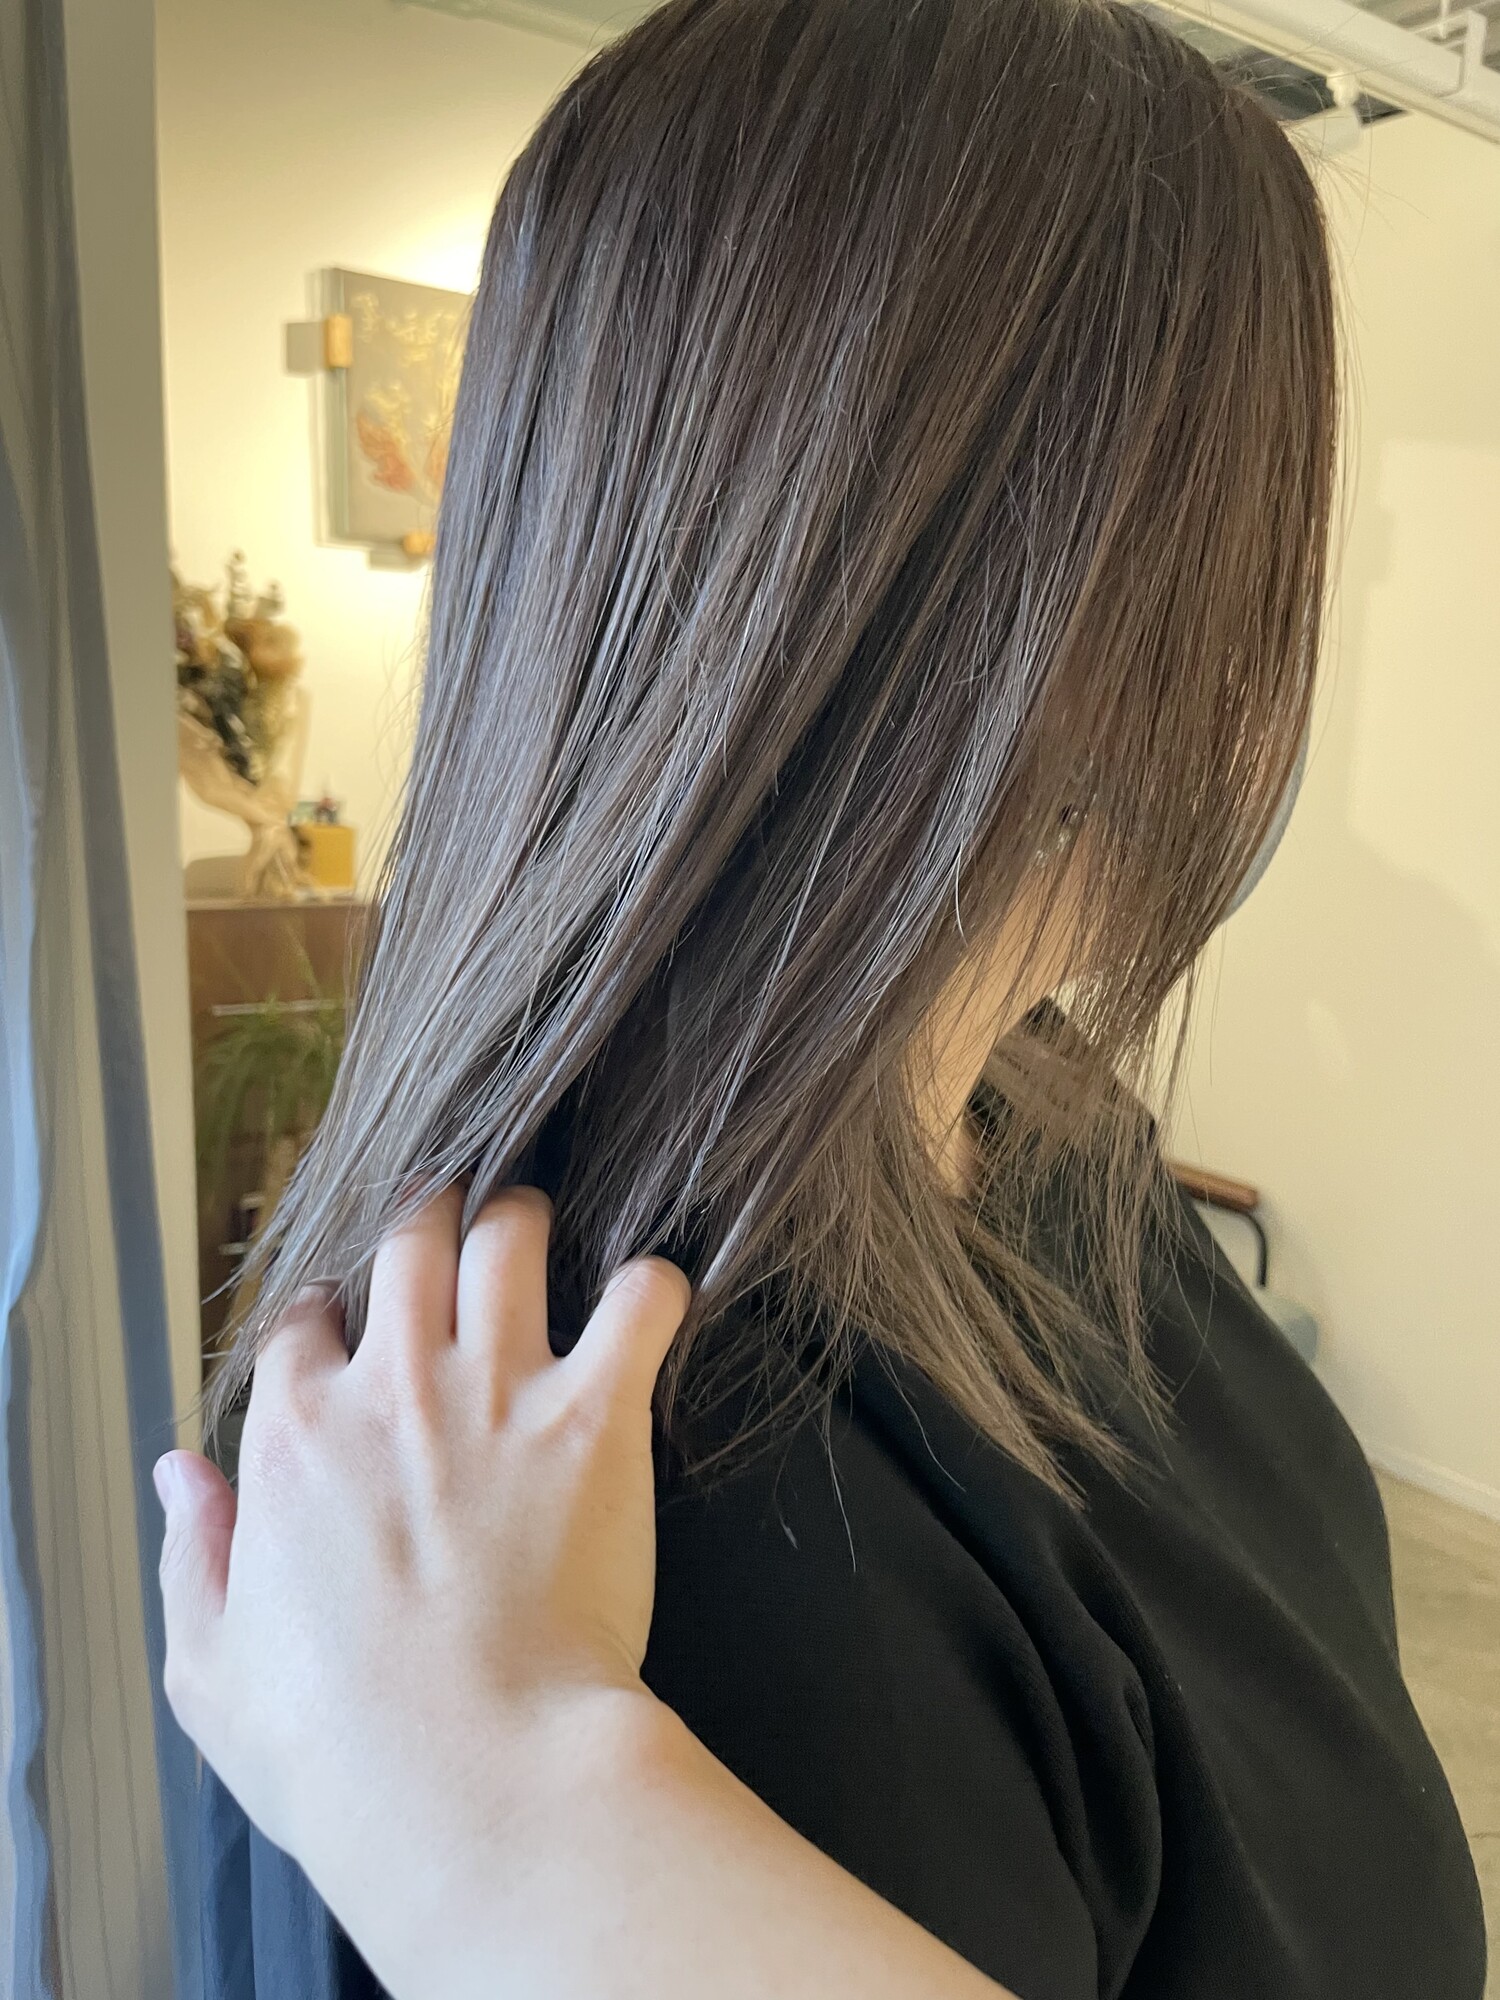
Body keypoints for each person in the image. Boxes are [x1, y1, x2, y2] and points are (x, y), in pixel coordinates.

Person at [165, 0, 1488, 1993]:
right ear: (1075, 601)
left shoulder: (1043, 1129)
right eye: (1285, 542)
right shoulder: (693, 1508)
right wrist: (524, 1797)